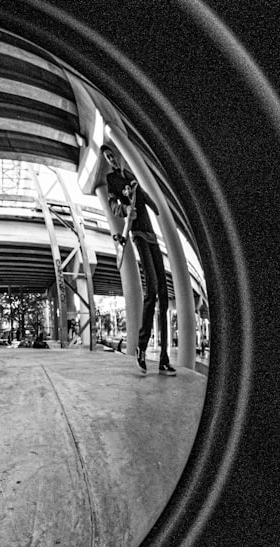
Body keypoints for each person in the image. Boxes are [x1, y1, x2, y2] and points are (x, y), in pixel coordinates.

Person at [102, 145, 176, 376]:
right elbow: (114, 205)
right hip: (139, 236)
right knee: (152, 289)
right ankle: (141, 348)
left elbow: (151, 202)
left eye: (113, 155)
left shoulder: (132, 178)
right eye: (107, 157)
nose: (112, 160)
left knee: (164, 297)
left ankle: (163, 359)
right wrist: (126, 209)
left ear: (121, 156)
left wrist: (151, 200)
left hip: (153, 237)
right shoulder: (111, 179)